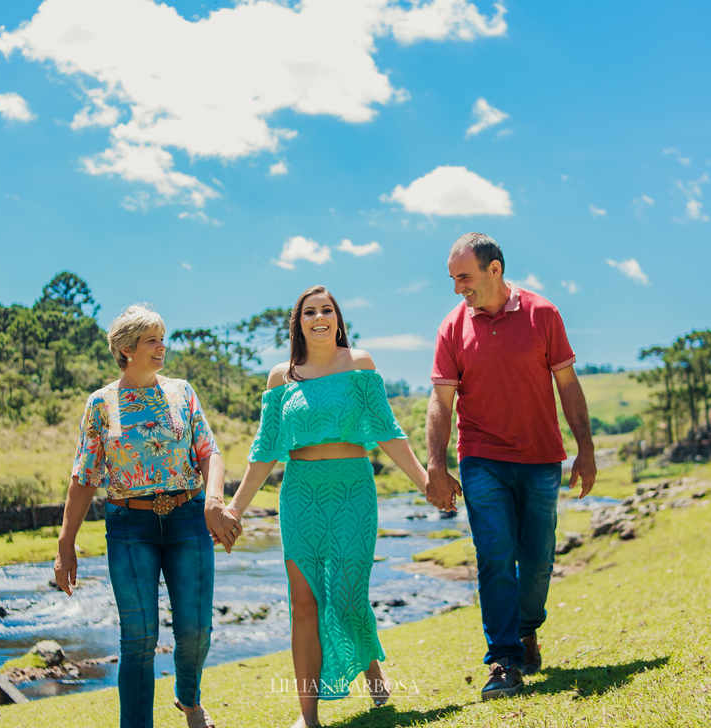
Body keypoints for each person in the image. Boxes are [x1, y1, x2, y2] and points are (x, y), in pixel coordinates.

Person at [228, 285, 430, 728]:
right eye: (309, 312)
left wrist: (426, 483)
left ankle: (371, 671)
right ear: (297, 323)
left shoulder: (359, 364)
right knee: (304, 603)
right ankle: (308, 715)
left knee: (346, 597)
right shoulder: (281, 377)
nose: (318, 317)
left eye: (326, 310)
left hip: (353, 490)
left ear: (338, 320)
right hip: (300, 493)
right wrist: (235, 509)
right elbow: (264, 450)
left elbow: (388, 431)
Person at [424, 233, 597, 701]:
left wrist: (585, 449)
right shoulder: (452, 326)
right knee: (495, 554)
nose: (457, 287)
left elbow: (568, 383)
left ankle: (526, 629)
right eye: (452, 278)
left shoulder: (543, 313)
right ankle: (503, 659)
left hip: (541, 458)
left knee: (538, 559)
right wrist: (436, 465)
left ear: (494, 269)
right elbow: (441, 400)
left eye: (464, 276)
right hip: (481, 458)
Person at [54, 304, 240, 728]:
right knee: (138, 638)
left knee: (196, 630)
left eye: (162, 338)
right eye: (152, 340)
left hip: (187, 519)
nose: (162, 347)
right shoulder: (101, 403)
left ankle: (189, 698)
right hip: (129, 527)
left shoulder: (181, 391)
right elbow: (84, 477)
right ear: (127, 349)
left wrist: (213, 501)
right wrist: (66, 544)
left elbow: (209, 453)